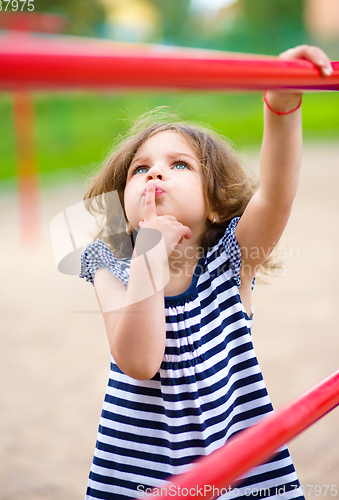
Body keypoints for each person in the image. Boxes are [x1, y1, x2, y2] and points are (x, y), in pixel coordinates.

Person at [79, 45, 333, 499]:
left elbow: (275, 195)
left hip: (238, 467)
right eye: (141, 169)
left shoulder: (233, 259)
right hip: (141, 474)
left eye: (178, 165)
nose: (155, 176)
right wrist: (148, 258)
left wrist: (281, 106)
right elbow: (139, 361)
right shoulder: (108, 263)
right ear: (123, 204)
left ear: (215, 203)